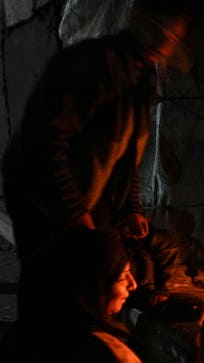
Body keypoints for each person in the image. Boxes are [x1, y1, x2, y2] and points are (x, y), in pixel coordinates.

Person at [1, 0, 191, 320]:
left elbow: (126, 155)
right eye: (158, 30)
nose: (163, 43)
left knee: (90, 278)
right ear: (137, 17)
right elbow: (45, 144)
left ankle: (86, 341)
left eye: (173, 39)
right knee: (49, 281)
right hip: (41, 192)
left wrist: (132, 208)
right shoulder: (95, 66)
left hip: (88, 194)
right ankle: (37, 352)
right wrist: (74, 211)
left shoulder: (143, 78)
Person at [0, 227, 161, 363]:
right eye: (122, 275)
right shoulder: (106, 355)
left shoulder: (23, 336)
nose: (133, 284)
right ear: (91, 287)